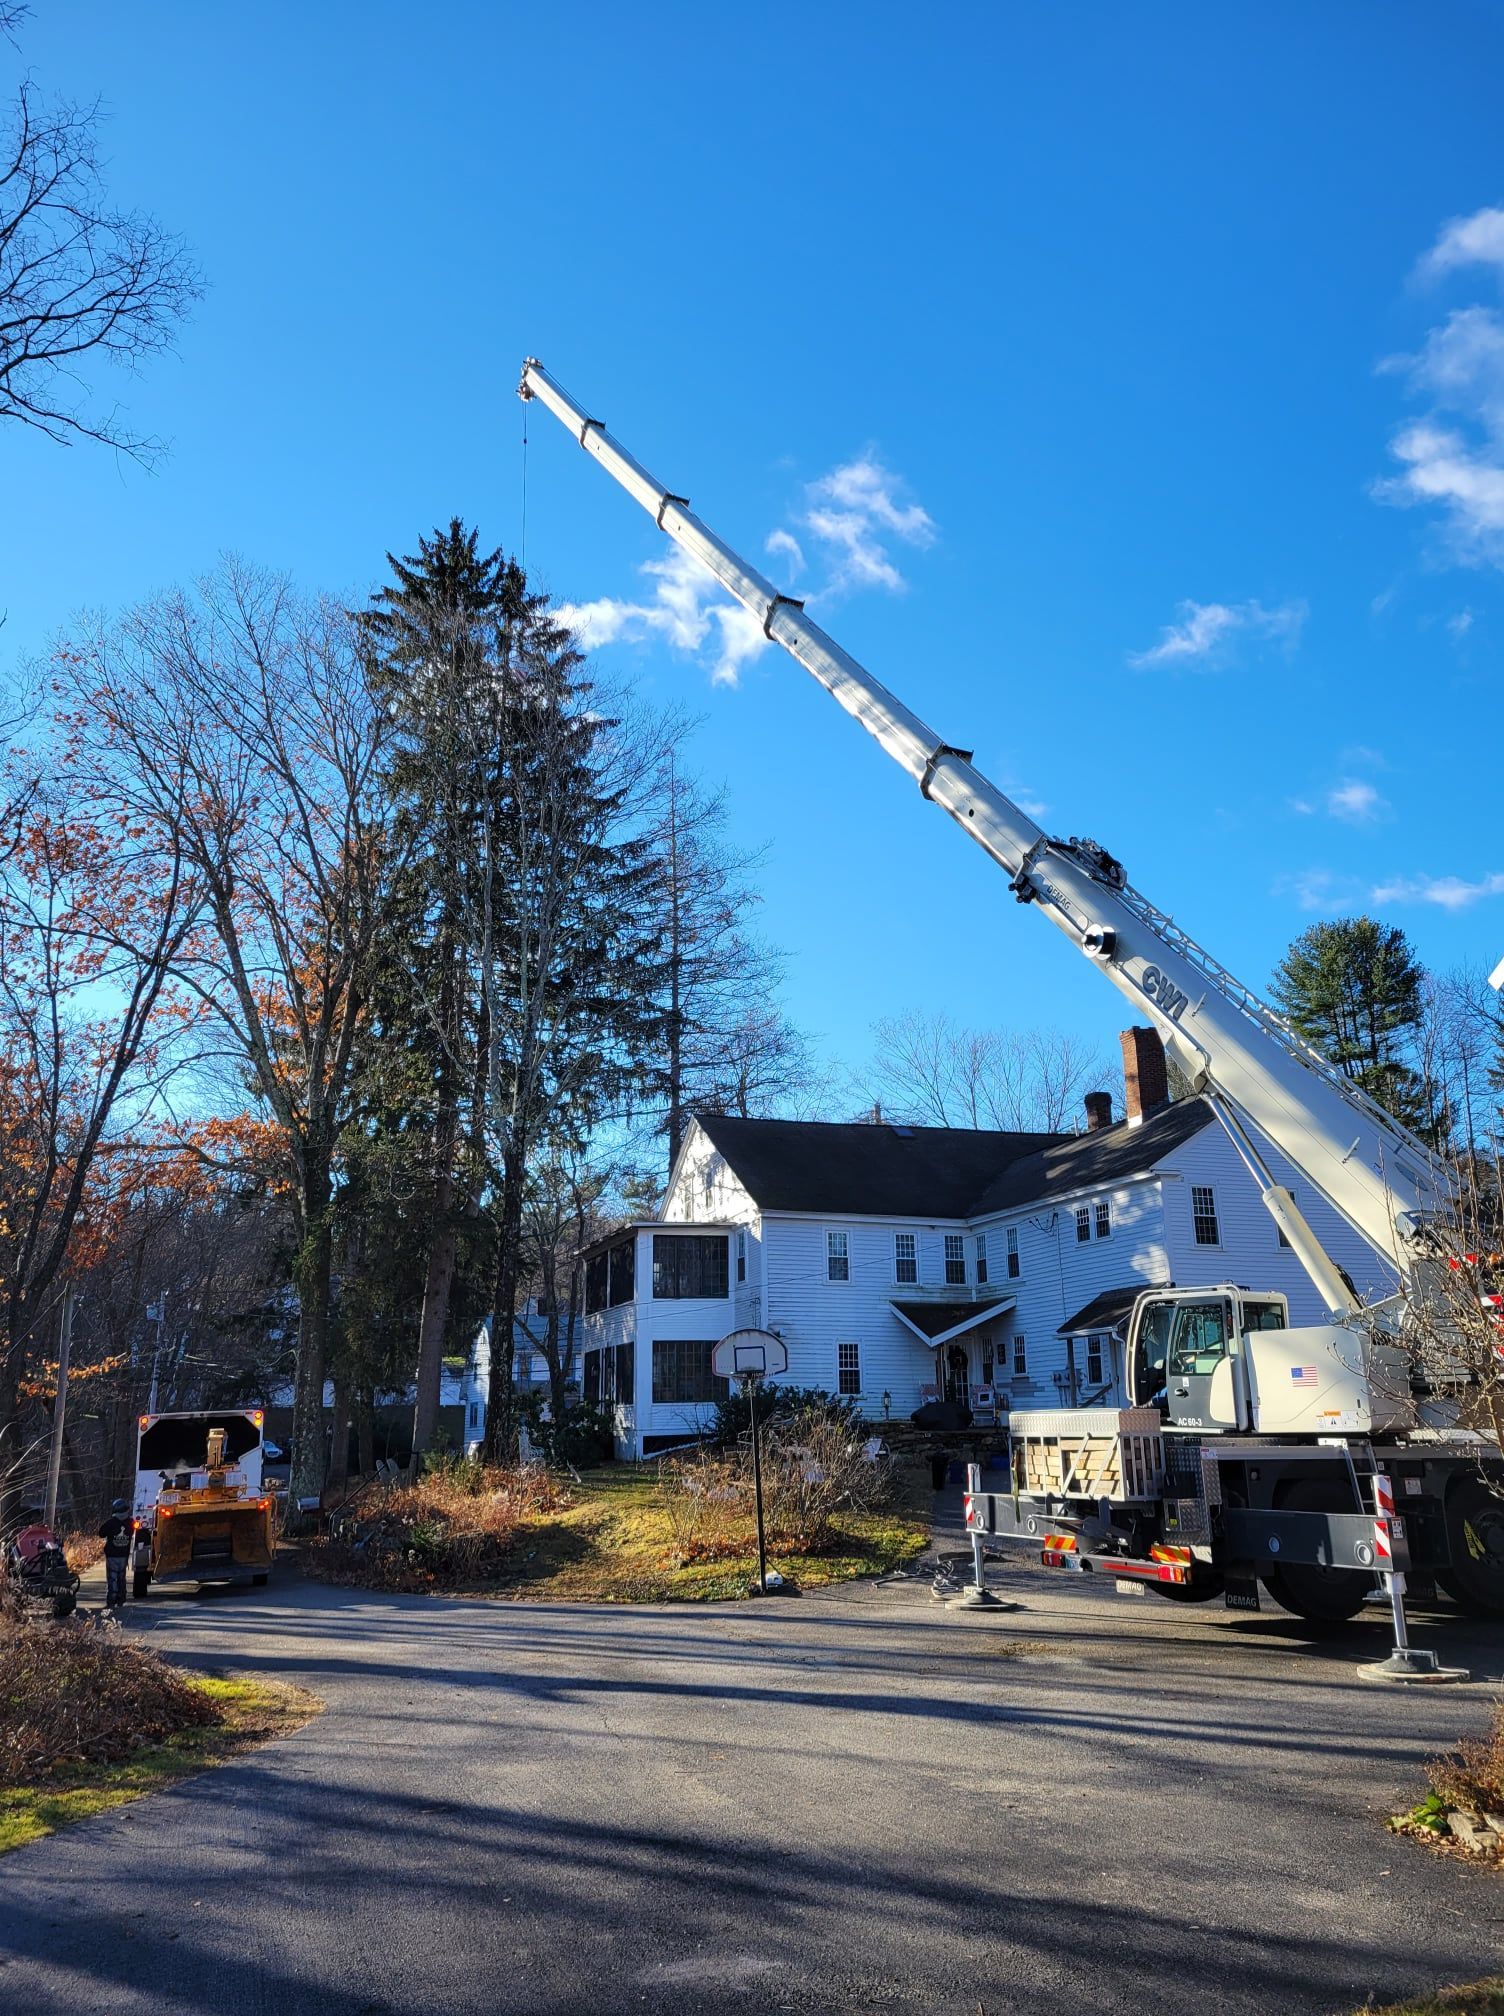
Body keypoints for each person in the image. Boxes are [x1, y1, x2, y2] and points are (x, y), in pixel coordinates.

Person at [97, 1498, 132, 1609]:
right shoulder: (131, 1522)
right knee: (121, 1577)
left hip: (112, 1555)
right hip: (124, 1554)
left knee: (112, 1578)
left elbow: (101, 1533)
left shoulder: (110, 1523)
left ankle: (111, 1600)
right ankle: (121, 1598)